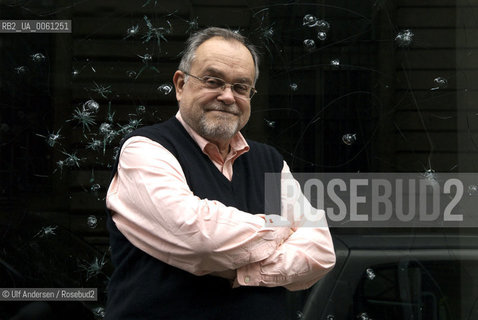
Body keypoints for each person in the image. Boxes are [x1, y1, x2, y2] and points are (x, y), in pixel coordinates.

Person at [105, 27, 335, 320]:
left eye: (241, 87)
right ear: (180, 84)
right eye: (214, 81)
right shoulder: (145, 150)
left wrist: (242, 269)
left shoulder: (270, 160)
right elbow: (198, 237)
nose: (228, 97)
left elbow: (321, 251)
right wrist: (281, 228)